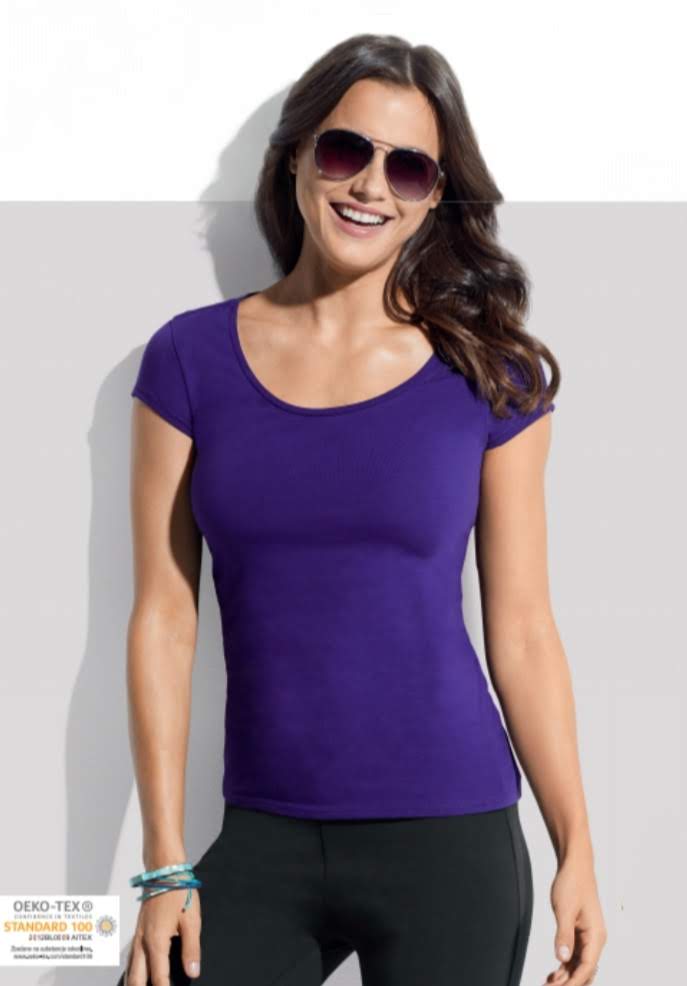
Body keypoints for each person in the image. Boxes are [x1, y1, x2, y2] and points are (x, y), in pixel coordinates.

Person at [123, 33, 607, 986]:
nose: (370, 186)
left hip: (453, 838)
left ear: (434, 196)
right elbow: (164, 617)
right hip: (262, 830)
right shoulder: (188, 360)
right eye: (346, 150)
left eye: (408, 167)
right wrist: (165, 863)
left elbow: (521, 629)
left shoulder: (488, 373)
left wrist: (576, 846)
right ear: (297, 156)